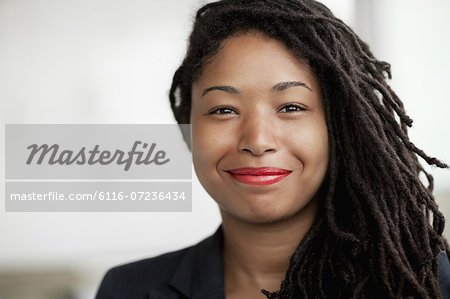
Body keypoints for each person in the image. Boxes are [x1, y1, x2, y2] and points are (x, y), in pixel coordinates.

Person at [95, 0, 450, 298]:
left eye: (291, 107)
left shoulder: (427, 281)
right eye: (223, 110)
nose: (257, 141)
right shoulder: (126, 289)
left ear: (338, 127)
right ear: (190, 128)